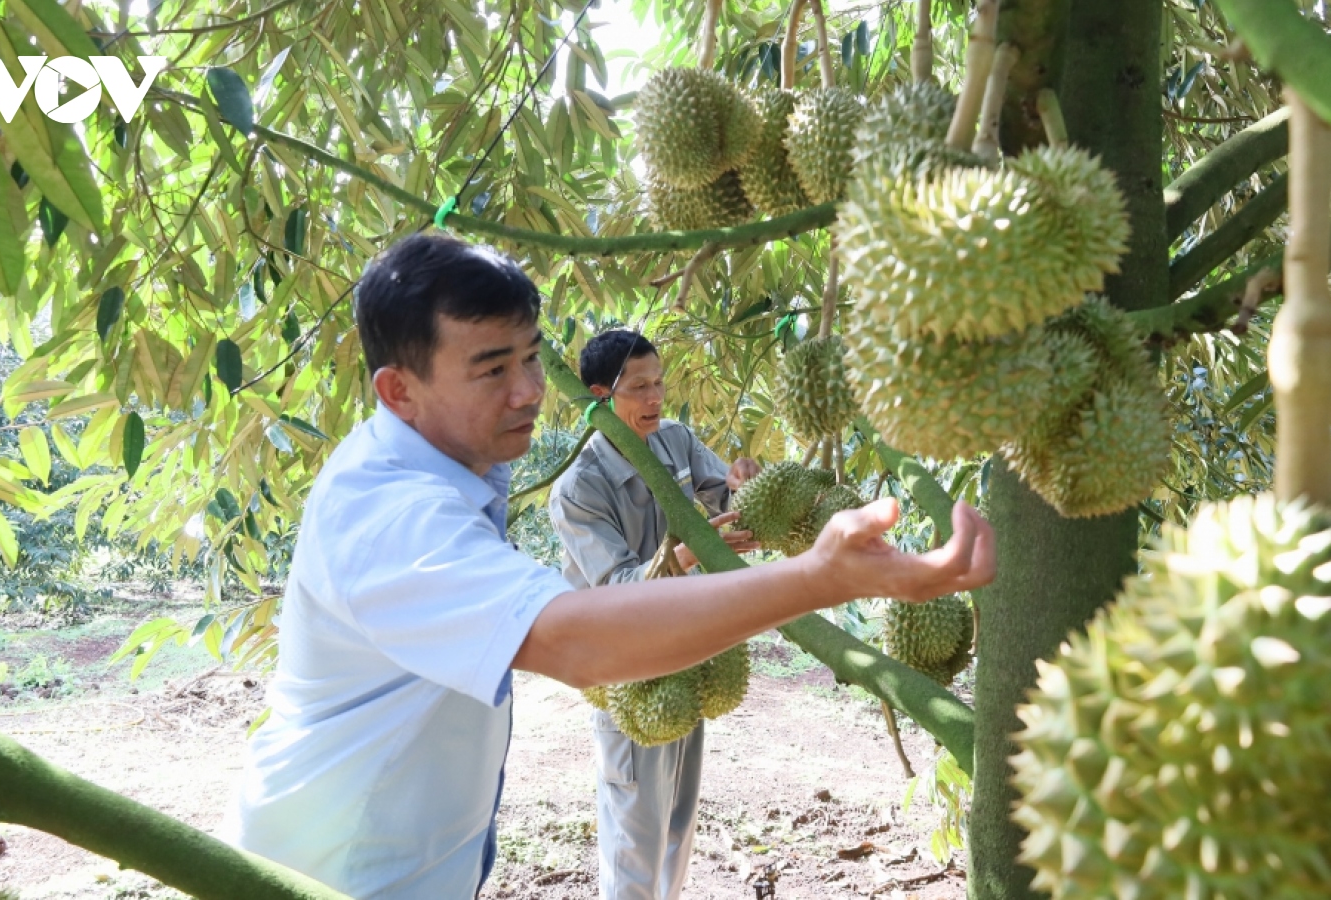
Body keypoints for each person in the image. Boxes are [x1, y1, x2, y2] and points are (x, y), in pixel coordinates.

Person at [224, 232, 996, 900]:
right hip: (333, 873)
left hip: (413, 858)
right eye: (493, 370)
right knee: (634, 828)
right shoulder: (390, 514)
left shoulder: (454, 464)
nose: (529, 391)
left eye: (531, 357)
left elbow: (717, 493)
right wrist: (818, 578)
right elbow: (572, 641)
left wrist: (751, 497)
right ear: (399, 391)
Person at [548, 329, 760, 900]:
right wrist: (687, 551)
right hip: (627, 671)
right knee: (634, 836)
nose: (655, 398)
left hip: (687, 652)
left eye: (659, 382)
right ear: (600, 394)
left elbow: (734, 506)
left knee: (676, 826)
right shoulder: (577, 490)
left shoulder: (676, 442)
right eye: (638, 386)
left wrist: (747, 485)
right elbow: (617, 590)